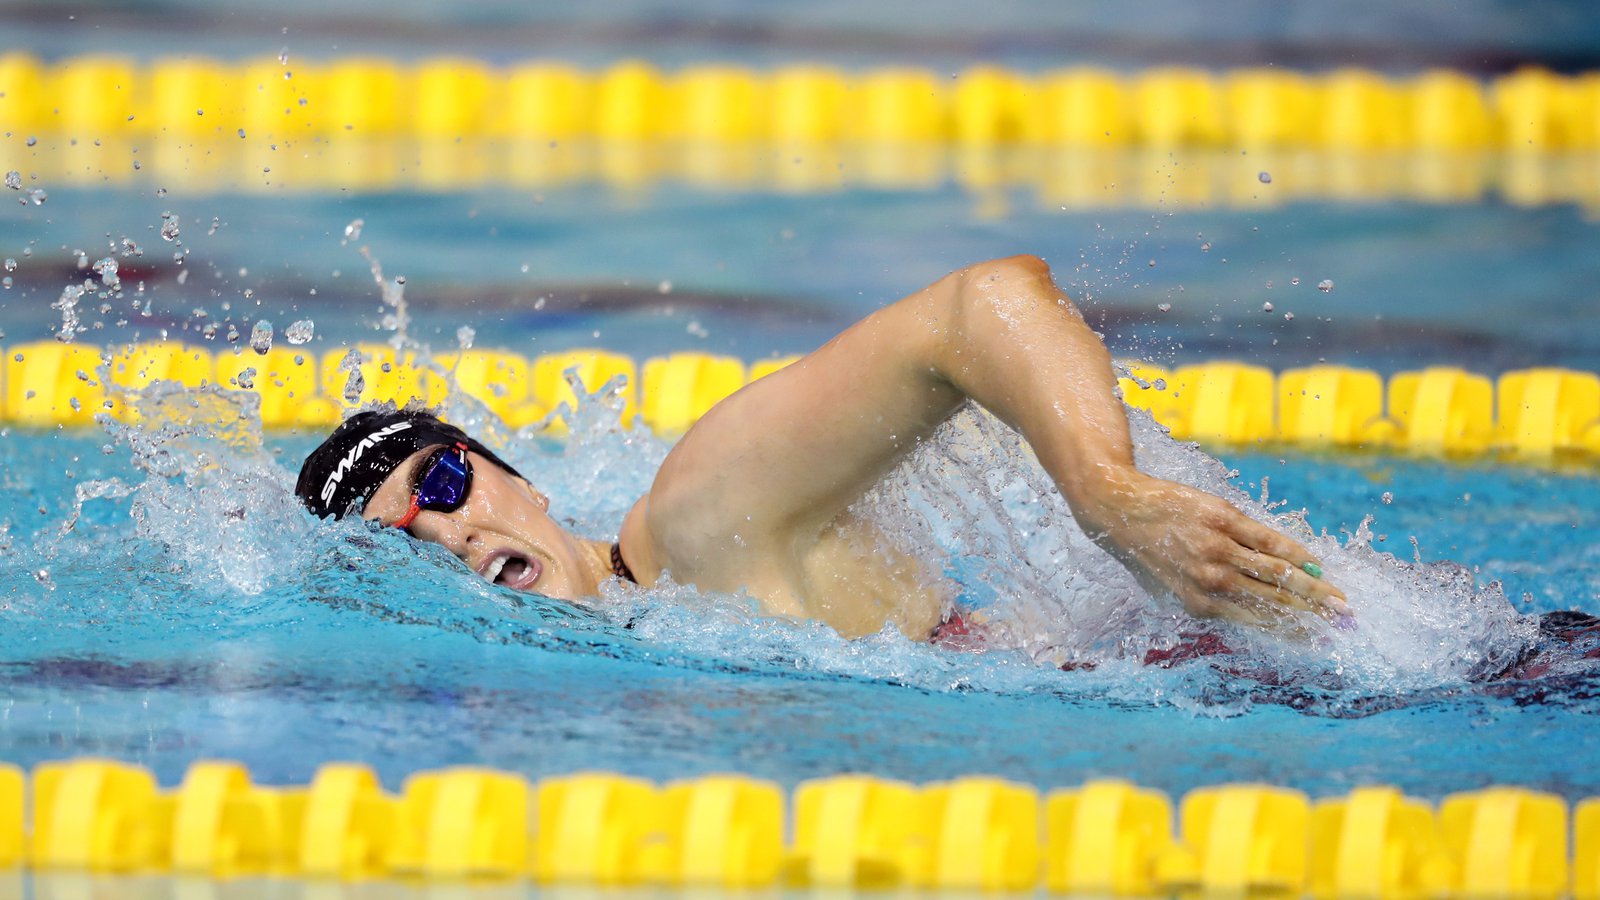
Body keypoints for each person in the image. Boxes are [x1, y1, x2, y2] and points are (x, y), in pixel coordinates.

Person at [296, 255, 1351, 643]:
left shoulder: (696, 525)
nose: (446, 528)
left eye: (440, 480)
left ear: (512, 476)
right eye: (401, 537)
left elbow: (977, 308)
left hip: (1301, 659)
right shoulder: (645, 638)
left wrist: (1106, 492)